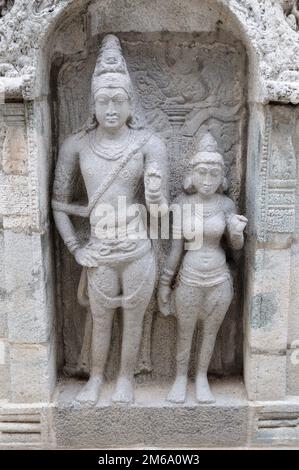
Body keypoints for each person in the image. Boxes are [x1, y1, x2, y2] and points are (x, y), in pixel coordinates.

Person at [52, 34, 168, 404]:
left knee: (133, 319)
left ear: (131, 103)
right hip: (99, 248)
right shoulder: (76, 145)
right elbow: (58, 203)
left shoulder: (149, 143)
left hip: (137, 247)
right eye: (103, 101)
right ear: (92, 105)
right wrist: (75, 248)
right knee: (100, 319)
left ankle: (125, 379)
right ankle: (95, 378)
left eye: (119, 100)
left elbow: (162, 212)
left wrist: (154, 197)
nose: (111, 109)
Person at [158, 132, 247, 403]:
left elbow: (236, 248)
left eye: (213, 174)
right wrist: (164, 284)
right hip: (189, 276)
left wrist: (236, 233)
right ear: (191, 176)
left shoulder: (226, 205)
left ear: (221, 178)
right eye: (202, 173)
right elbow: (176, 249)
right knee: (185, 332)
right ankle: (180, 378)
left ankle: (201, 377)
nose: (207, 181)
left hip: (219, 278)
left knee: (210, 332)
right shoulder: (182, 205)